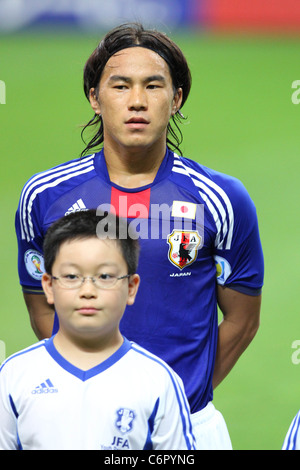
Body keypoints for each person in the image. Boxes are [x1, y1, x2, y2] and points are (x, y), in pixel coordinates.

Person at [15, 23, 264, 449]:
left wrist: (184, 394)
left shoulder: (222, 198)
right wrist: (94, 387)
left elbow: (242, 320)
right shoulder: (44, 197)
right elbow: (45, 308)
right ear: (95, 98)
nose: (136, 101)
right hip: (82, 423)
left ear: (177, 98)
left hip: (190, 427)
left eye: (153, 85)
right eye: (120, 86)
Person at [1, 210, 195, 450]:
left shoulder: (158, 381)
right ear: (49, 286)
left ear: (131, 287)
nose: (88, 291)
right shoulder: (13, 376)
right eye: (72, 276)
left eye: (104, 276)